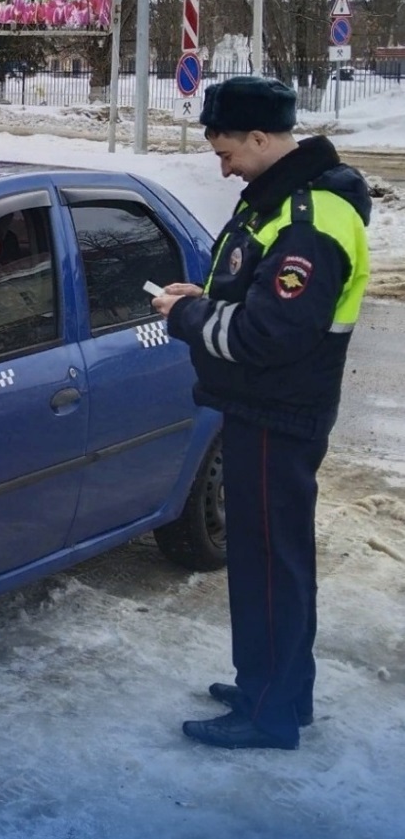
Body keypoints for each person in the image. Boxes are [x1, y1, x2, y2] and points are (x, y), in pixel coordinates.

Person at [151, 75, 371, 750]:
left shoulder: (309, 219)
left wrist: (189, 315)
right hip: (264, 410)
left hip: (278, 415)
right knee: (270, 561)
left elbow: (268, 335)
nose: (222, 166)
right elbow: (252, 298)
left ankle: (269, 713)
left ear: (259, 137)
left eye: (227, 152)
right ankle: (274, 688)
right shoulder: (281, 203)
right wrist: (205, 296)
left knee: (270, 566)